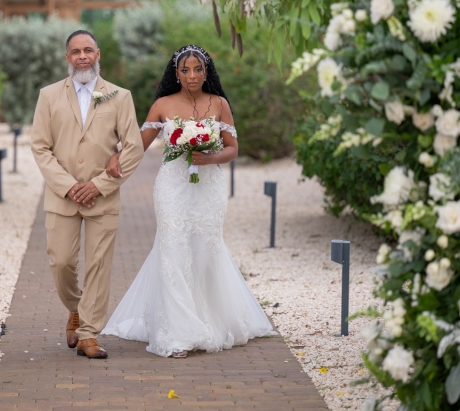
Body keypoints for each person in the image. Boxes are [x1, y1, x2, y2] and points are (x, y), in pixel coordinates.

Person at [101, 44, 276, 358]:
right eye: (185, 70)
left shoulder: (219, 103)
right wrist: (115, 158)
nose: (191, 75)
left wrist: (210, 158)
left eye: (198, 69)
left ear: (206, 72)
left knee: (206, 249)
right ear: (176, 73)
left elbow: (232, 148)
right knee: (172, 247)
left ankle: (210, 320)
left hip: (208, 188)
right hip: (172, 187)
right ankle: (178, 333)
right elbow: (137, 146)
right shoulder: (162, 105)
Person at [30, 30, 144, 359]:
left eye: (88, 50)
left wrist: (99, 185)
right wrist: (68, 186)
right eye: (76, 51)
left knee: (98, 265)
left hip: (103, 197)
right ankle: (75, 308)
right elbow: (40, 147)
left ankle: (89, 333)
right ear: (67, 58)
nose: (82, 56)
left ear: (98, 55)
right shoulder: (48, 96)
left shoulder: (119, 97)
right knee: (61, 262)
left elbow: (133, 149)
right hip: (62, 197)